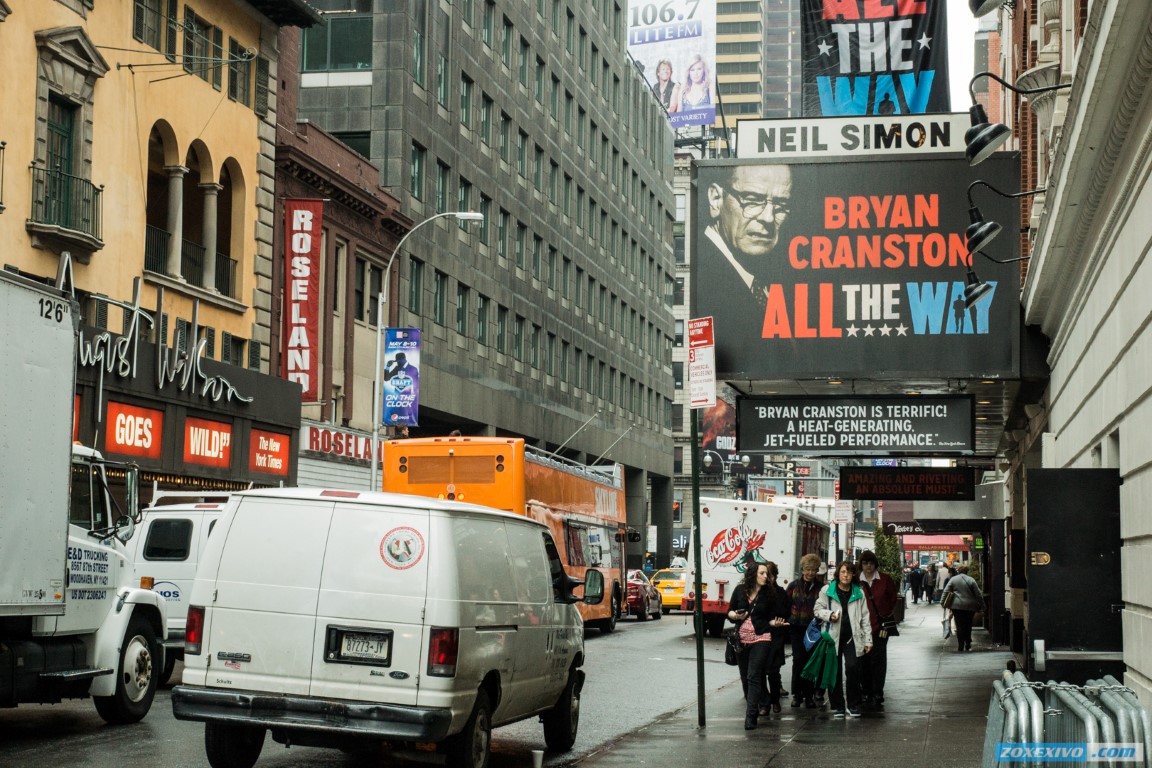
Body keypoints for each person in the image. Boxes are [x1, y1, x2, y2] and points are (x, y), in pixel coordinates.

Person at [696, 163, 794, 371]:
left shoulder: (765, 283)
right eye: (752, 200)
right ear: (716, 199)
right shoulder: (704, 282)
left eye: (781, 205)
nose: (768, 218)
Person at [726, 562, 788, 730]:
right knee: (745, 677)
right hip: (741, 640)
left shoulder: (769, 594)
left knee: (754, 675)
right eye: (762, 573)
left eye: (766, 574)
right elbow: (730, 612)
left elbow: (771, 616)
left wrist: (774, 622)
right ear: (753, 574)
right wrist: (735, 616)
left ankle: (751, 715)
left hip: (762, 638)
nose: (765, 576)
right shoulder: (740, 590)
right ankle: (757, 704)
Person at [813, 560, 872, 718]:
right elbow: (817, 609)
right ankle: (838, 705)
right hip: (833, 636)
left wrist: (868, 640)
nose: (846, 575)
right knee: (834, 670)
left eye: (849, 572)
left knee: (853, 669)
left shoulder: (858, 592)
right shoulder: (827, 590)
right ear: (838, 574)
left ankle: (853, 704)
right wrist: (829, 615)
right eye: (843, 572)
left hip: (853, 636)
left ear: (854, 575)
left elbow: (865, 617)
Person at [856, 550, 898, 707]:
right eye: (865, 563)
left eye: (871, 563)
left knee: (878, 660)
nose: (868, 566)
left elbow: (893, 598)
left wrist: (885, 613)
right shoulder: (855, 580)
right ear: (861, 564)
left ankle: (878, 691)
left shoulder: (885, 579)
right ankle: (866, 691)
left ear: (876, 564)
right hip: (860, 627)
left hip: (880, 627)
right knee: (863, 661)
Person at [786, 553, 824, 709]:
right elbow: (785, 605)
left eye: (813, 570)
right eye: (807, 569)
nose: (810, 573)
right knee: (798, 660)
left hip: (813, 630)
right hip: (796, 628)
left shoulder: (821, 588)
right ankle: (797, 695)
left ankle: (809, 695)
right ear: (802, 569)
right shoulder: (793, 586)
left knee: (810, 662)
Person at [942, 564, 983, 652]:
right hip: (970, 606)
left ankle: (960, 644)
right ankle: (967, 642)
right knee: (968, 624)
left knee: (959, 625)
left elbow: (946, 591)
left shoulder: (953, 579)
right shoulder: (971, 580)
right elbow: (978, 594)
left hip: (957, 606)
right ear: (967, 571)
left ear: (958, 571)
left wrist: (943, 603)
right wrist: (983, 605)